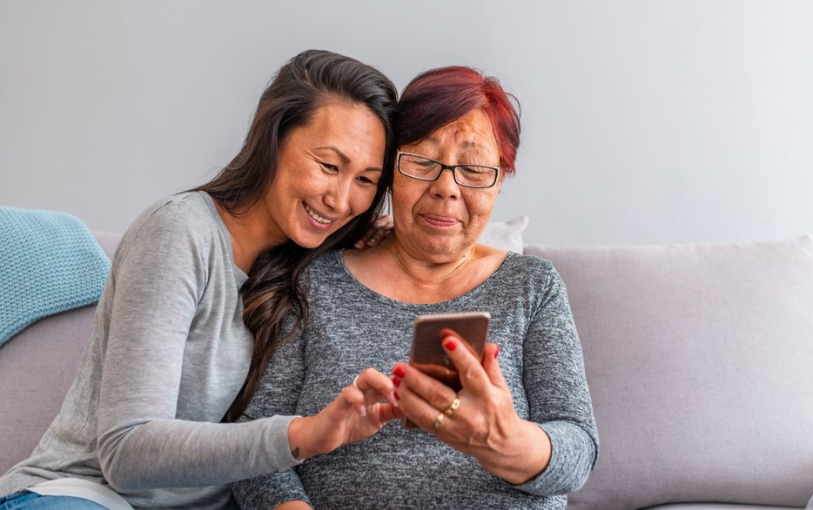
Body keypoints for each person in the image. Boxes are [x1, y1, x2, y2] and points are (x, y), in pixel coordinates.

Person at [0, 49, 401, 510]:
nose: (341, 199)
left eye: (366, 181)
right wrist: (303, 434)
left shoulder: (308, 263)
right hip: (85, 494)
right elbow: (126, 451)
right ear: (272, 140)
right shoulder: (180, 232)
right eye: (329, 166)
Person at [232, 66, 598, 510]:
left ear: (500, 179)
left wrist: (507, 442)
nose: (446, 188)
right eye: (423, 162)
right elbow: (255, 441)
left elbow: (577, 448)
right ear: (390, 172)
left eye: (474, 168)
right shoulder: (316, 280)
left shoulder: (533, 287)